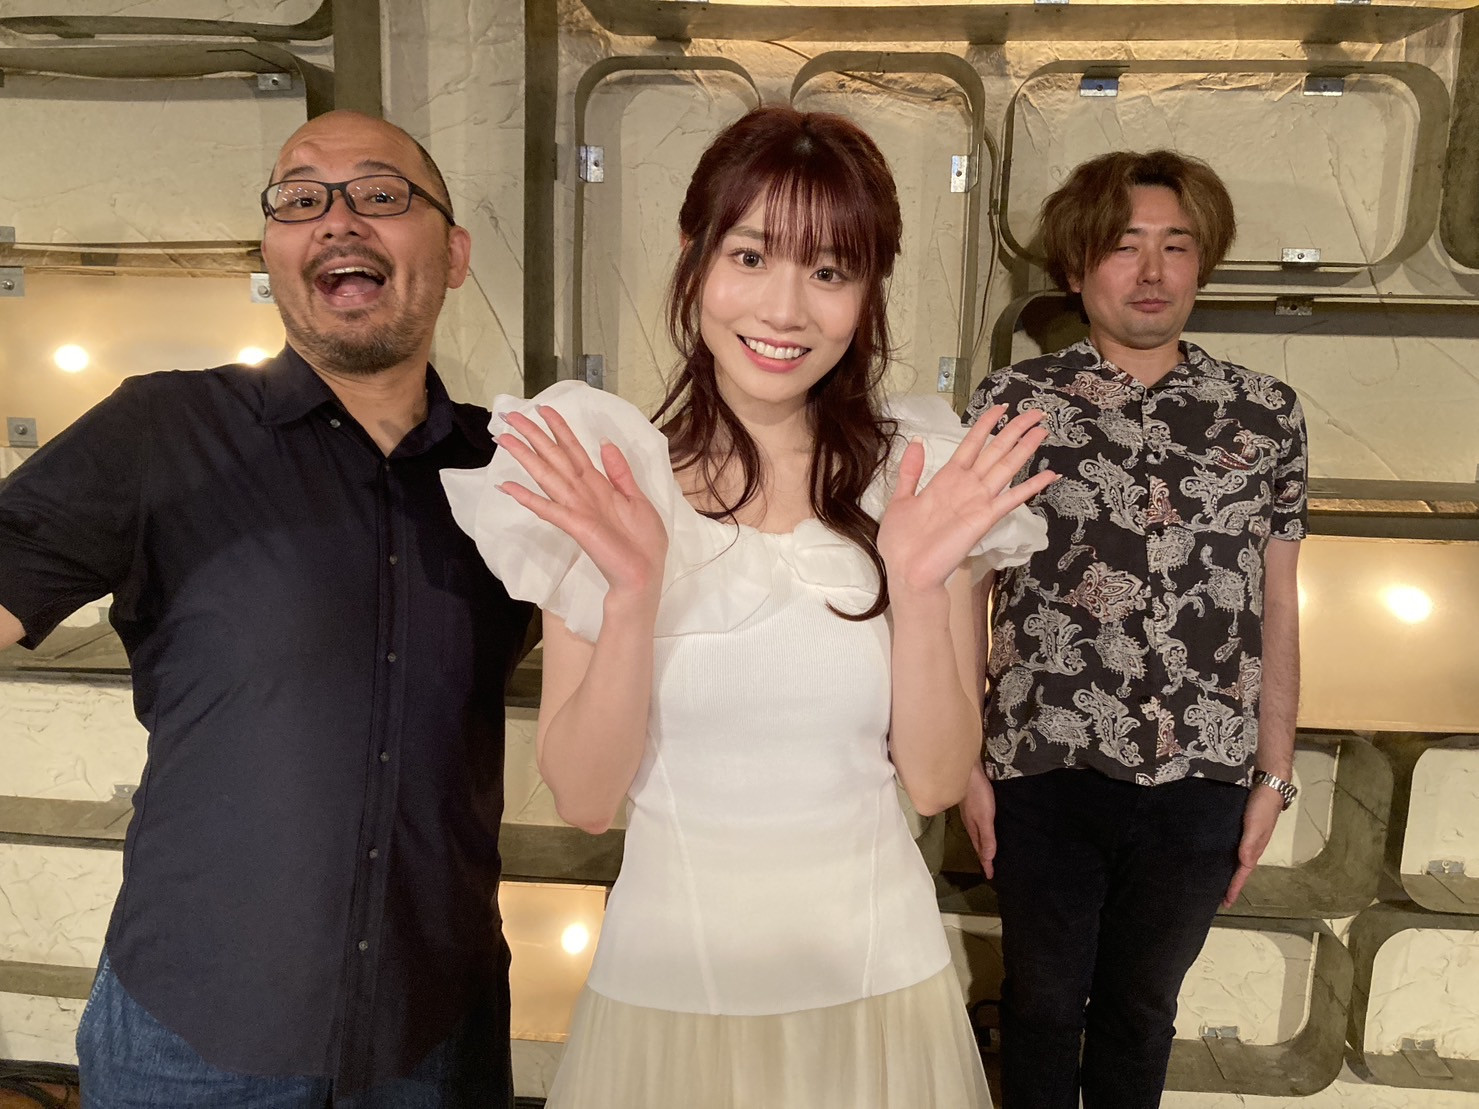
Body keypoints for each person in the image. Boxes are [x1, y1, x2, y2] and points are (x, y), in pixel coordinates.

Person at [444, 105, 1056, 1108]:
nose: (785, 309)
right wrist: (634, 592)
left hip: (876, 988)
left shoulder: (920, 475)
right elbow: (586, 799)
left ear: (867, 293)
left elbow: (937, 778)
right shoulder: (608, 476)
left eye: (830, 271)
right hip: (670, 992)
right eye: (751, 255)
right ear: (694, 258)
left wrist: (915, 580)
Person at [0, 110, 530, 1106]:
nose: (338, 217)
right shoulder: (163, 429)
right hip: (192, 1030)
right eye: (300, 198)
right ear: (273, 256)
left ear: (454, 254)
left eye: (380, 193)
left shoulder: (520, 472)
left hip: (433, 1030)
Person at [959, 149, 1308, 1108]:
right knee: (1039, 1006)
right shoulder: (1011, 405)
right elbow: (963, 588)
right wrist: (963, 766)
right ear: (1077, 266)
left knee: (1143, 1010)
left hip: (1202, 771)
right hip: (1042, 763)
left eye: (1174, 246)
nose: (1151, 271)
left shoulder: (1265, 415)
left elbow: (1277, 601)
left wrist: (1274, 773)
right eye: (1123, 246)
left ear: (1202, 262)